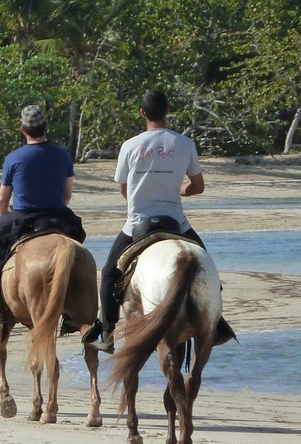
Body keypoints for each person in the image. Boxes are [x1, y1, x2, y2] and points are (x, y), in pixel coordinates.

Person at [82, 89, 234, 349]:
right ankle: (216, 323)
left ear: (142, 113)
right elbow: (198, 186)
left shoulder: (130, 145)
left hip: (137, 225)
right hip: (176, 223)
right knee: (208, 269)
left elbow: (123, 189)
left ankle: (107, 333)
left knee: (109, 273)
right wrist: (179, 189)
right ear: (168, 110)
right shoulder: (185, 144)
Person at [0, 104, 84, 331]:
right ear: (46, 127)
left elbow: (2, 200)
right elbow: (67, 196)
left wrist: (2, 218)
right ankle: (75, 306)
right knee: (78, 242)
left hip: (23, 218)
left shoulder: (14, 158)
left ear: (23, 130)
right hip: (59, 216)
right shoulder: (62, 155)